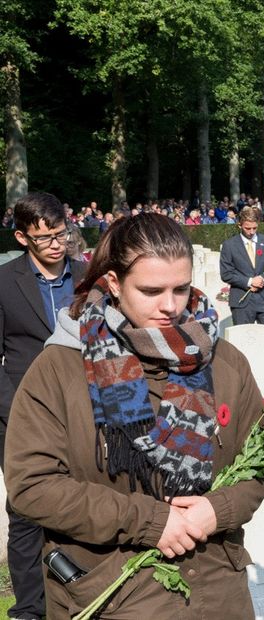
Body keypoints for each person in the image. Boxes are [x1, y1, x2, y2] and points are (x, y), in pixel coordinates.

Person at [5, 212, 264, 618]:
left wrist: (220, 509)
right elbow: (32, 485)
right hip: (114, 594)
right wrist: (148, 521)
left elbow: (263, 458)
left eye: (181, 289)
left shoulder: (225, 361)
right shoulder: (59, 369)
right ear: (113, 283)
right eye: (151, 290)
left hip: (218, 593)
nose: (170, 306)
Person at [0, 193, 88, 620]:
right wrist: (14, 410)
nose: (57, 244)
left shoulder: (91, 278)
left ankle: (88, 595)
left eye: (62, 233)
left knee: (91, 500)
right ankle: (30, 609)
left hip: (87, 411)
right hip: (21, 416)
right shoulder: (3, 283)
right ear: (22, 237)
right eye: (45, 238)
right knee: (26, 513)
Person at [219, 207, 264, 380]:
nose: (251, 232)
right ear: (240, 225)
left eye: (254, 228)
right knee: (244, 341)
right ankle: (245, 380)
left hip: (263, 298)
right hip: (241, 299)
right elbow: (226, 273)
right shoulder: (230, 246)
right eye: (247, 228)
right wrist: (248, 282)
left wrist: (263, 278)